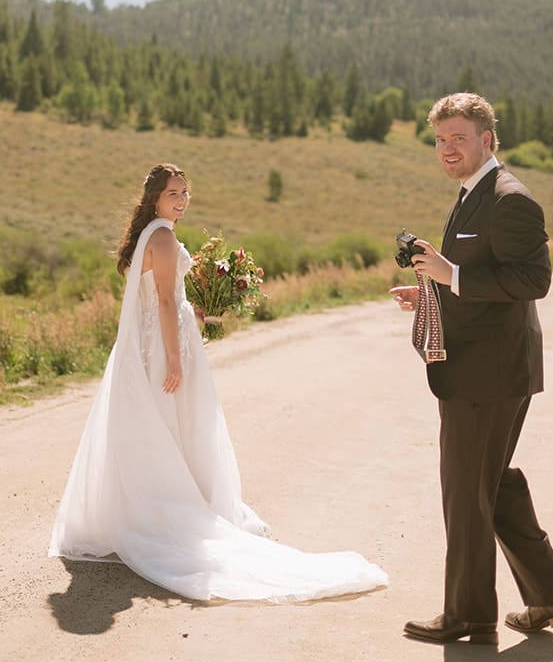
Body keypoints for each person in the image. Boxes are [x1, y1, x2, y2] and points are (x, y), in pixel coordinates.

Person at [49, 163, 388, 603]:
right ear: (155, 196)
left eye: (186, 193)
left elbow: (162, 299)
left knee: (158, 428)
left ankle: (147, 505)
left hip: (144, 346)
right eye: (175, 193)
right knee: (182, 424)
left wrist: (200, 315)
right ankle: (174, 509)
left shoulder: (148, 234)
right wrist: (175, 358)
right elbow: (167, 302)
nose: (183, 200)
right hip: (163, 348)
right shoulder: (165, 237)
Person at [389, 93, 553, 643]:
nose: (448, 149)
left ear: (487, 140)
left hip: (491, 374)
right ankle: (550, 599)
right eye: (441, 140)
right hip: (481, 368)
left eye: (459, 138)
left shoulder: (510, 199)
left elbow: (532, 282)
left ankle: (468, 616)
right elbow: (470, 275)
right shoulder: (471, 194)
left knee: (466, 489)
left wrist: (454, 278)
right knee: (490, 486)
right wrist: (431, 290)